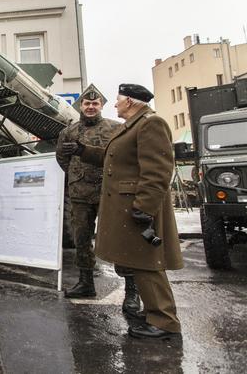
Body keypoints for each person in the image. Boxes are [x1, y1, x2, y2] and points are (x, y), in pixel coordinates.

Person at [62, 83, 183, 339]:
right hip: (124, 205)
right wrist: (83, 151)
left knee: (148, 263)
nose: (114, 104)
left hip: (137, 207)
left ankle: (163, 321)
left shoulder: (150, 124)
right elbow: (111, 157)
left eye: (117, 100)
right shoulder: (134, 125)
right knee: (140, 262)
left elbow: (158, 171)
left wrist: (144, 207)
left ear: (129, 101)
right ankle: (155, 316)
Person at [55, 85, 141, 313]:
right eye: (86, 104)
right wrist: (76, 175)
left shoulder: (116, 128)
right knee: (81, 238)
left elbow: (124, 158)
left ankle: (131, 290)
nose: (90, 107)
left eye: (95, 104)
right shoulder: (69, 132)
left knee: (118, 238)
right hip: (80, 194)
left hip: (109, 193)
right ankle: (86, 283)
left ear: (101, 106)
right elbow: (61, 158)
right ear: (80, 106)